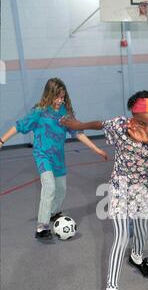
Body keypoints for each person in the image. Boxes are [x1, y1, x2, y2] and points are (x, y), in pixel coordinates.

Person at [60, 91, 148, 290]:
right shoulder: (119, 125)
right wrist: (78, 124)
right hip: (120, 187)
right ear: (132, 119)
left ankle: (136, 257)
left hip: (146, 188)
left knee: (142, 230)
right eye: (142, 123)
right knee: (122, 236)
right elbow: (99, 123)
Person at [0, 78, 108, 240]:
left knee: (61, 189)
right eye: (57, 97)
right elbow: (19, 125)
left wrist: (96, 148)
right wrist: (2, 140)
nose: (60, 101)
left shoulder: (65, 113)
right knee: (49, 187)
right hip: (42, 155)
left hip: (58, 157)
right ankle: (41, 228)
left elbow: (77, 132)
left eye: (62, 97)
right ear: (49, 95)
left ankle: (51, 212)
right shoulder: (39, 112)